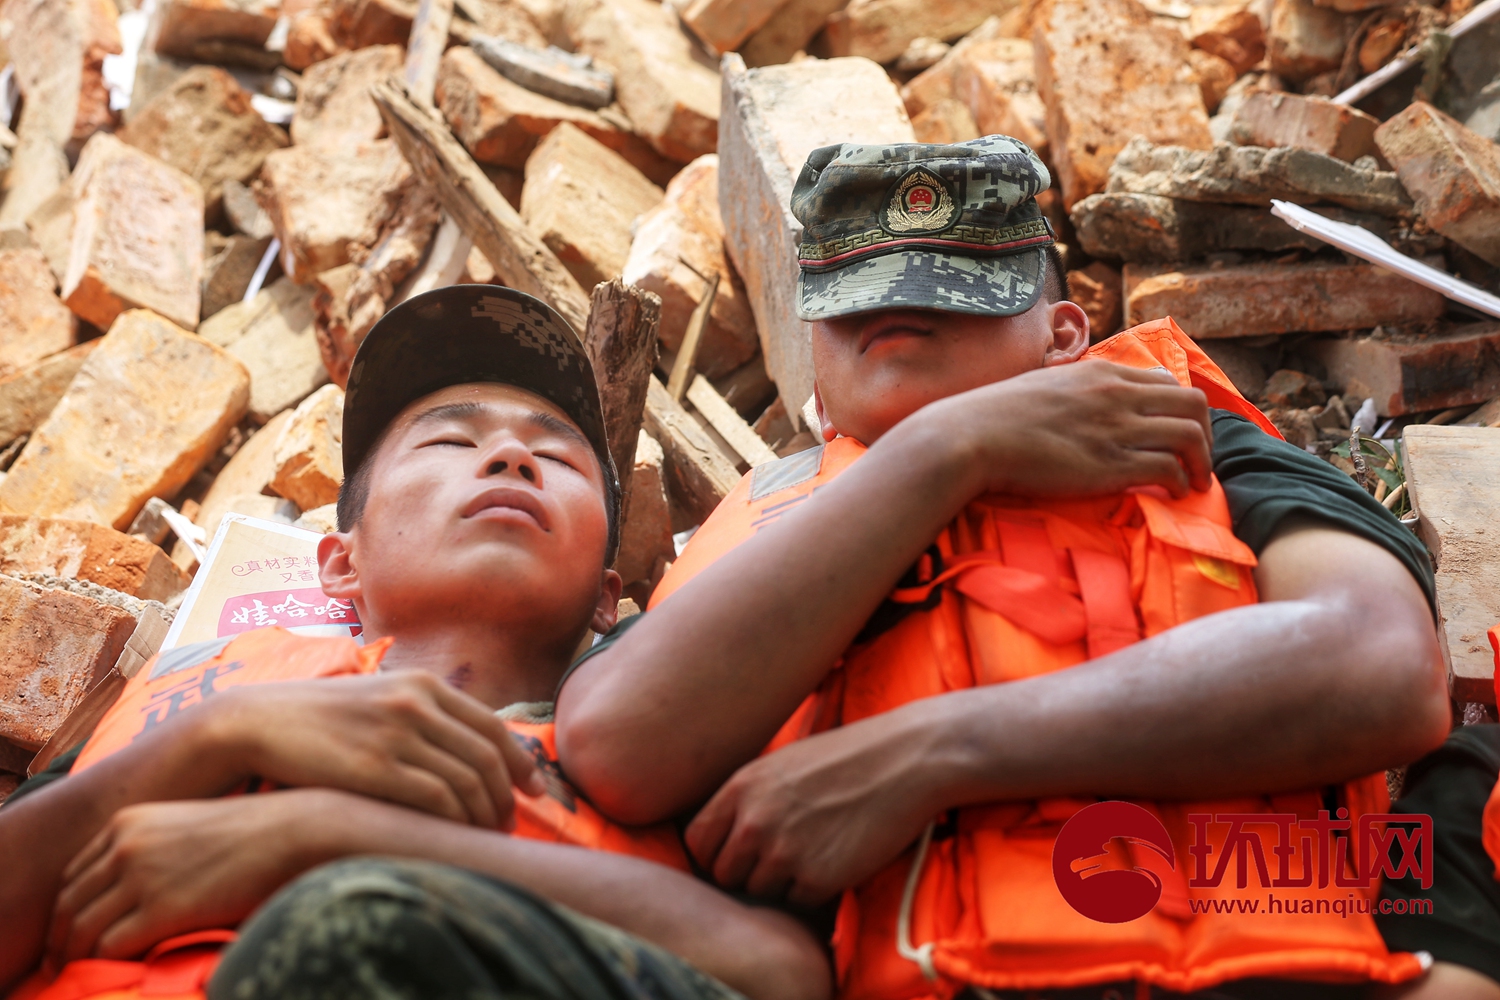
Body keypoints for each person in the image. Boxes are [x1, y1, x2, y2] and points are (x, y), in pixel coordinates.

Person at [553, 137, 1455, 998]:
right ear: (818, 385)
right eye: (856, 297)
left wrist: (929, 753)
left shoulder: (1207, 449)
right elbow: (622, 748)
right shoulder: (771, 512)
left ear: (1066, 335)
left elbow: (1384, 666)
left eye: (958, 285)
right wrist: (951, 447)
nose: (892, 312)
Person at [0, 286, 830, 1000]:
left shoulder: (676, 728)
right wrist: (223, 736)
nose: (511, 456)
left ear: (609, 597)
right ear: (340, 563)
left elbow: (779, 973)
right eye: (450, 441)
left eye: (557, 455)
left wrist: (324, 836)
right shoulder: (194, 699)